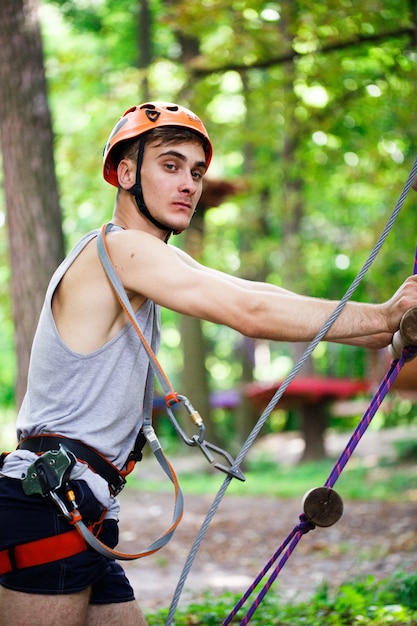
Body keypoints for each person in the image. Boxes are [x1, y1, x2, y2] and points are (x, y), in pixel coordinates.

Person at [1, 101, 417, 626]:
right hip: (48, 504)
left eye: (196, 172)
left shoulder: (145, 258)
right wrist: (381, 315)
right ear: (125, 174)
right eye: (170, 165)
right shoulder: (121, 250)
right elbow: (250, 312)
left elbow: (249, 290)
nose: (189, 184)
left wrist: (385, 327)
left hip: (83, 504)